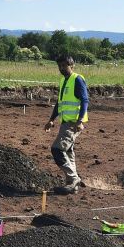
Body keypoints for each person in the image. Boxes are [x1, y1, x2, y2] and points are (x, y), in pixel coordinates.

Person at [44, 56, 89, 194]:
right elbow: (60, 102)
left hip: (73, 123)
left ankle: (73, 178)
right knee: (68, 151)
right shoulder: (64, 80)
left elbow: (85, 100)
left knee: (57, 150)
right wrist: (52, 119)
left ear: (72, 65)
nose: (62, 68)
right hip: (65, 122)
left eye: (64, 66)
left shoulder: (77, 79)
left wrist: (80, 121)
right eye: (60, 66)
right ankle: (72, 184)